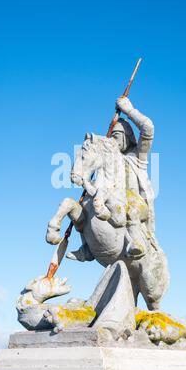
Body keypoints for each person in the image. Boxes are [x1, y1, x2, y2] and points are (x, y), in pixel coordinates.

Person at [67, 96, 156, 262]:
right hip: (111, 200)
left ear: (126, 137)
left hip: (133, 203)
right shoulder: (107, 158)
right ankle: (87, 246)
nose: (112, 141)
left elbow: (148, 129)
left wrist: (129, 110)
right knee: (85, 205)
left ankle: (136, 243)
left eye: (116, 136)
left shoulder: (137, 156)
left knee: (132, 207)